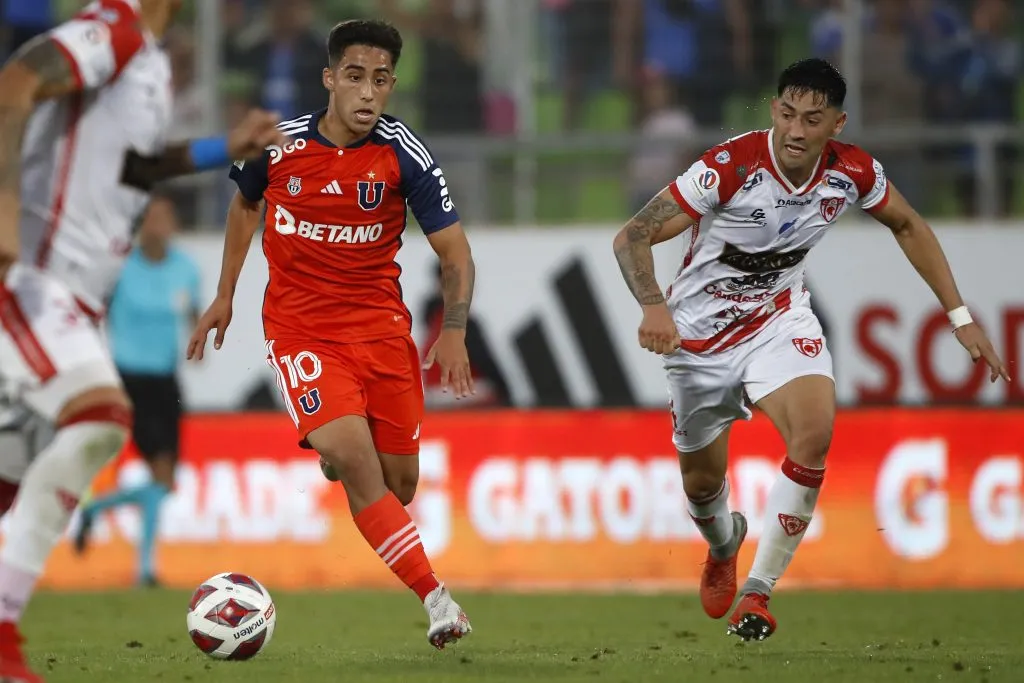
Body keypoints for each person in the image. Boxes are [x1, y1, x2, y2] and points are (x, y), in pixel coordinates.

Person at [612, 58, 1009, 642]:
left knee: (814, 433)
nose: (797, 131)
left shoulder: (852, 172)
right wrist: (653, 307)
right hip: (697, 339)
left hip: (778, 322)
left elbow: (909, 225)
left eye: (813, 119)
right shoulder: (731, 166)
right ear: (774, 110)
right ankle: (725, 546)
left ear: (837, 124)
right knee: (701, 484)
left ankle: (760, 593)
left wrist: (960, 316)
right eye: (789, 114)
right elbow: (633, 235)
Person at [0, 1, 286, 679]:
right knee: (100, 416)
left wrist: (224, 149)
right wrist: (5, 217)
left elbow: (133, 169)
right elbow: (14, 84)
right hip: (35, 275)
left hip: (74, 293)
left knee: (16, 468)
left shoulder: (151, 63)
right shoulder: (116, 29)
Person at [187, 19, 475, 651]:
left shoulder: (405, 155)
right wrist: (226, 293)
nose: (367, 93)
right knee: (353, 457)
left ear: (392, 85)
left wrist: (453, 331)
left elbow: (456, 256)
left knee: (398, 488)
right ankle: (438, 600)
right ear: (329, 80)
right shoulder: (279, 146)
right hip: (301, 331)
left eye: (379, 80)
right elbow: (245, 205)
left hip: (381, 332)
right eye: (354, 77)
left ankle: (338, 443)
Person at [73, 194, 200, 588]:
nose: (158, 225)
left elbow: (193, 314)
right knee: (160, 476)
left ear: (174, 225)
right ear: (141, 225)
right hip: (129, 379)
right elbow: (93, 311)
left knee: (164, 481)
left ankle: (97, 512)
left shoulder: (186, 269)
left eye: (165, 217)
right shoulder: (122, 268)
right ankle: (145, 569)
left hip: (166, 379)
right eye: (152, 218)